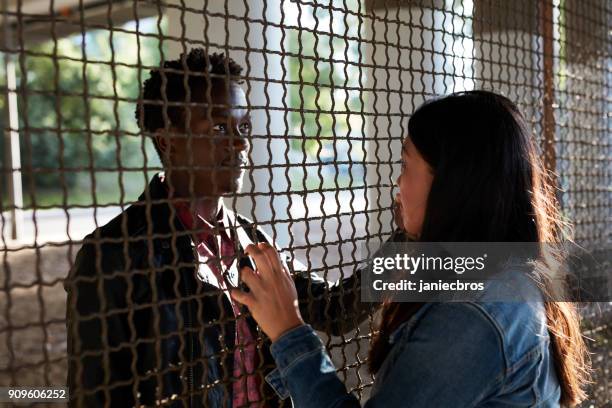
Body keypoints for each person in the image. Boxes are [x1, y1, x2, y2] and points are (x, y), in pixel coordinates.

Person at [64, 48, 397, 407]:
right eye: (220, 127)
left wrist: (411, 243)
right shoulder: (114, 255)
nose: (241, 143)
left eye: (244, 127)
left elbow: (333, 310)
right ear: (168, 141)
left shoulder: (250, 241)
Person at [229, 91, 592, 407]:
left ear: (452, 185)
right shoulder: (498, 268)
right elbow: (338, 309)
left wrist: (289, 332)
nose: (397, 181)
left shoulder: (472, 314)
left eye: (405, 164)